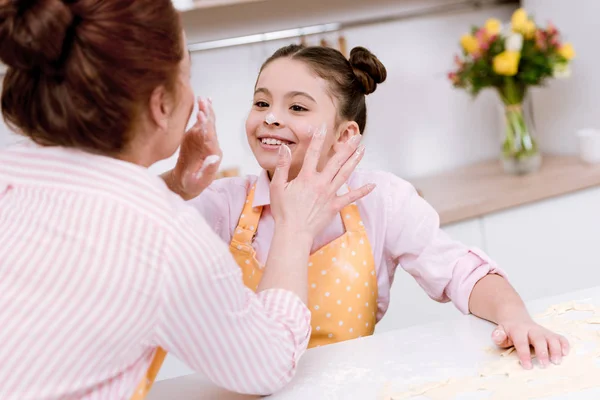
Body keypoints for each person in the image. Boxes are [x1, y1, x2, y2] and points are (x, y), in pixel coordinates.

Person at [0, 1, 373, 399]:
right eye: (187, 73)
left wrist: (174, 186)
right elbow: (265, 363)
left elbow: (88, 223)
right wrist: (296, 229)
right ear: (162, 104)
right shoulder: (166, 236)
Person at [164, 44, 570, 370]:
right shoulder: (224, 204)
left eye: (297, 107)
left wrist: (515, 316)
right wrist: (178, 185)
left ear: (345, 135)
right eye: (261, 103)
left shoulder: (382, 200)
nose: (270, 118)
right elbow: (128, 228)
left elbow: (460, 272)